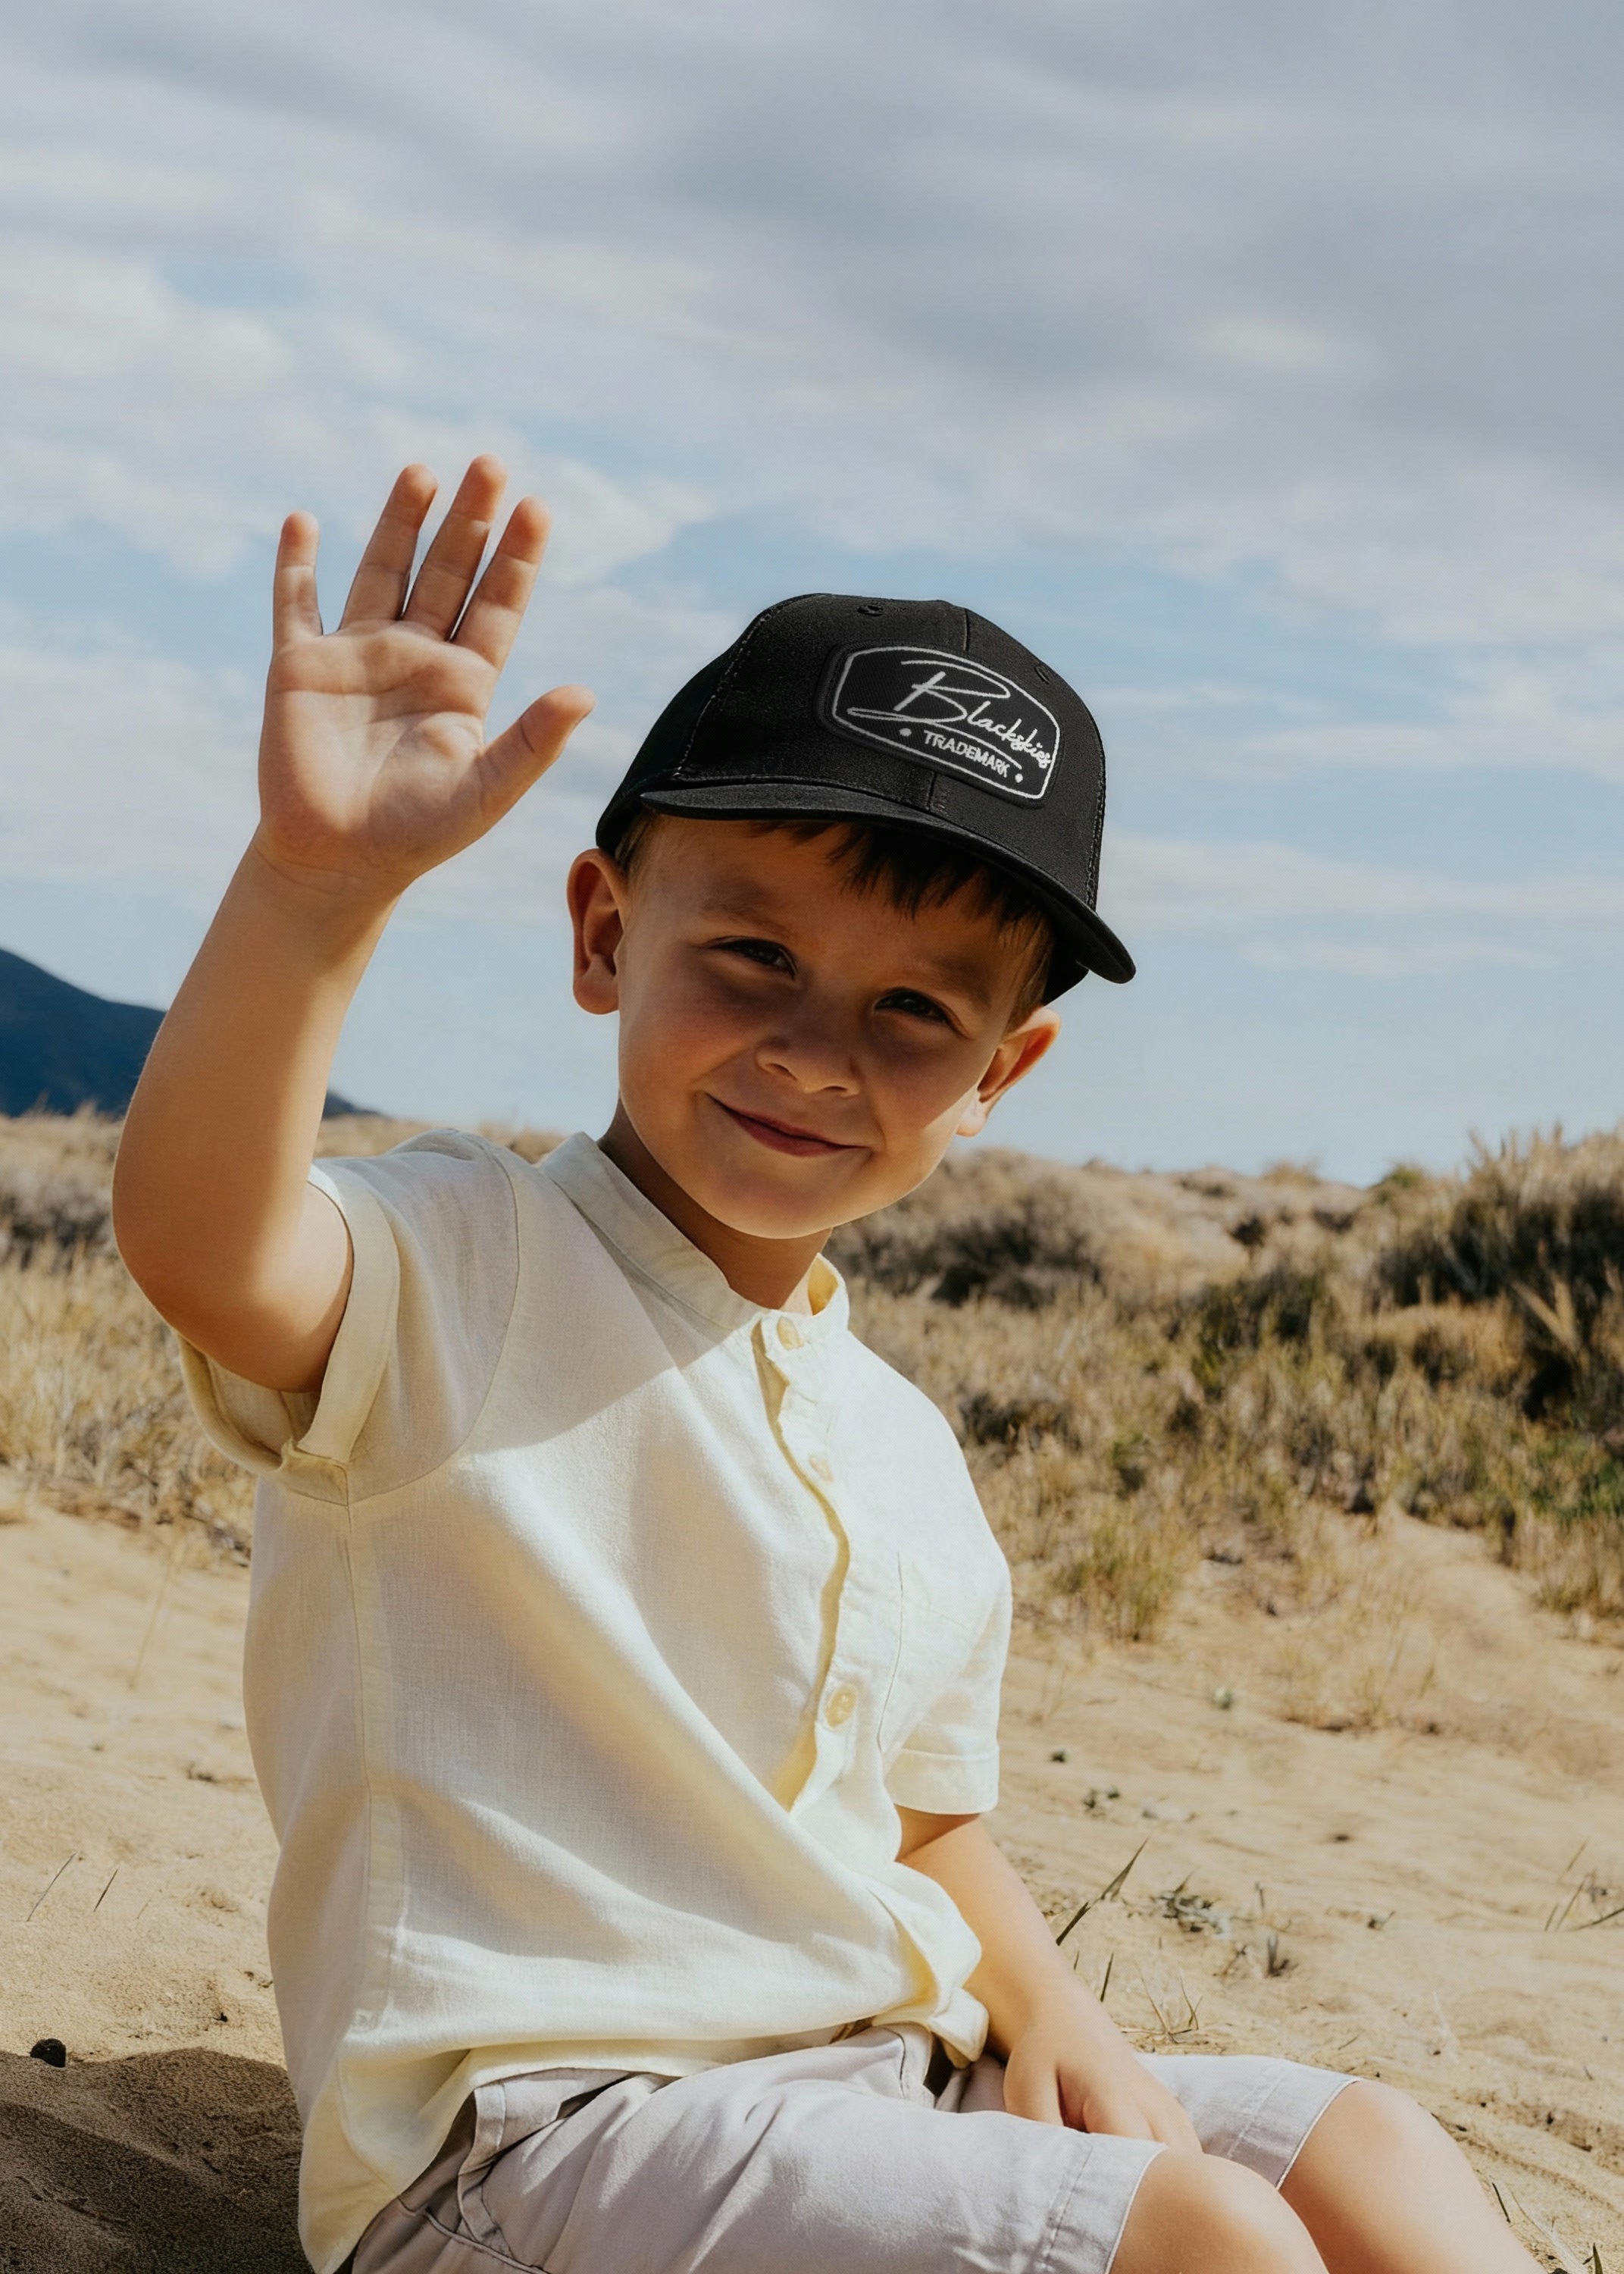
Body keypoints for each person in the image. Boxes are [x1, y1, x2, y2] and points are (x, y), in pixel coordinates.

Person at [114, 458, 1538, 2274]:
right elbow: (204, 1246)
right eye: (755, 955)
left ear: (995, 1079)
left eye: (912, 1012)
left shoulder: (898, 1440)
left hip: (874, 2080)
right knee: (1207, 2241)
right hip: (534, 2143)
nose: (813, 1050)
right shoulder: (462, 1259)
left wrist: (1055, 2012)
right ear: (606, 933)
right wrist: (312, 897)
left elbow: (926, 1820)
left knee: (1359, 2152)